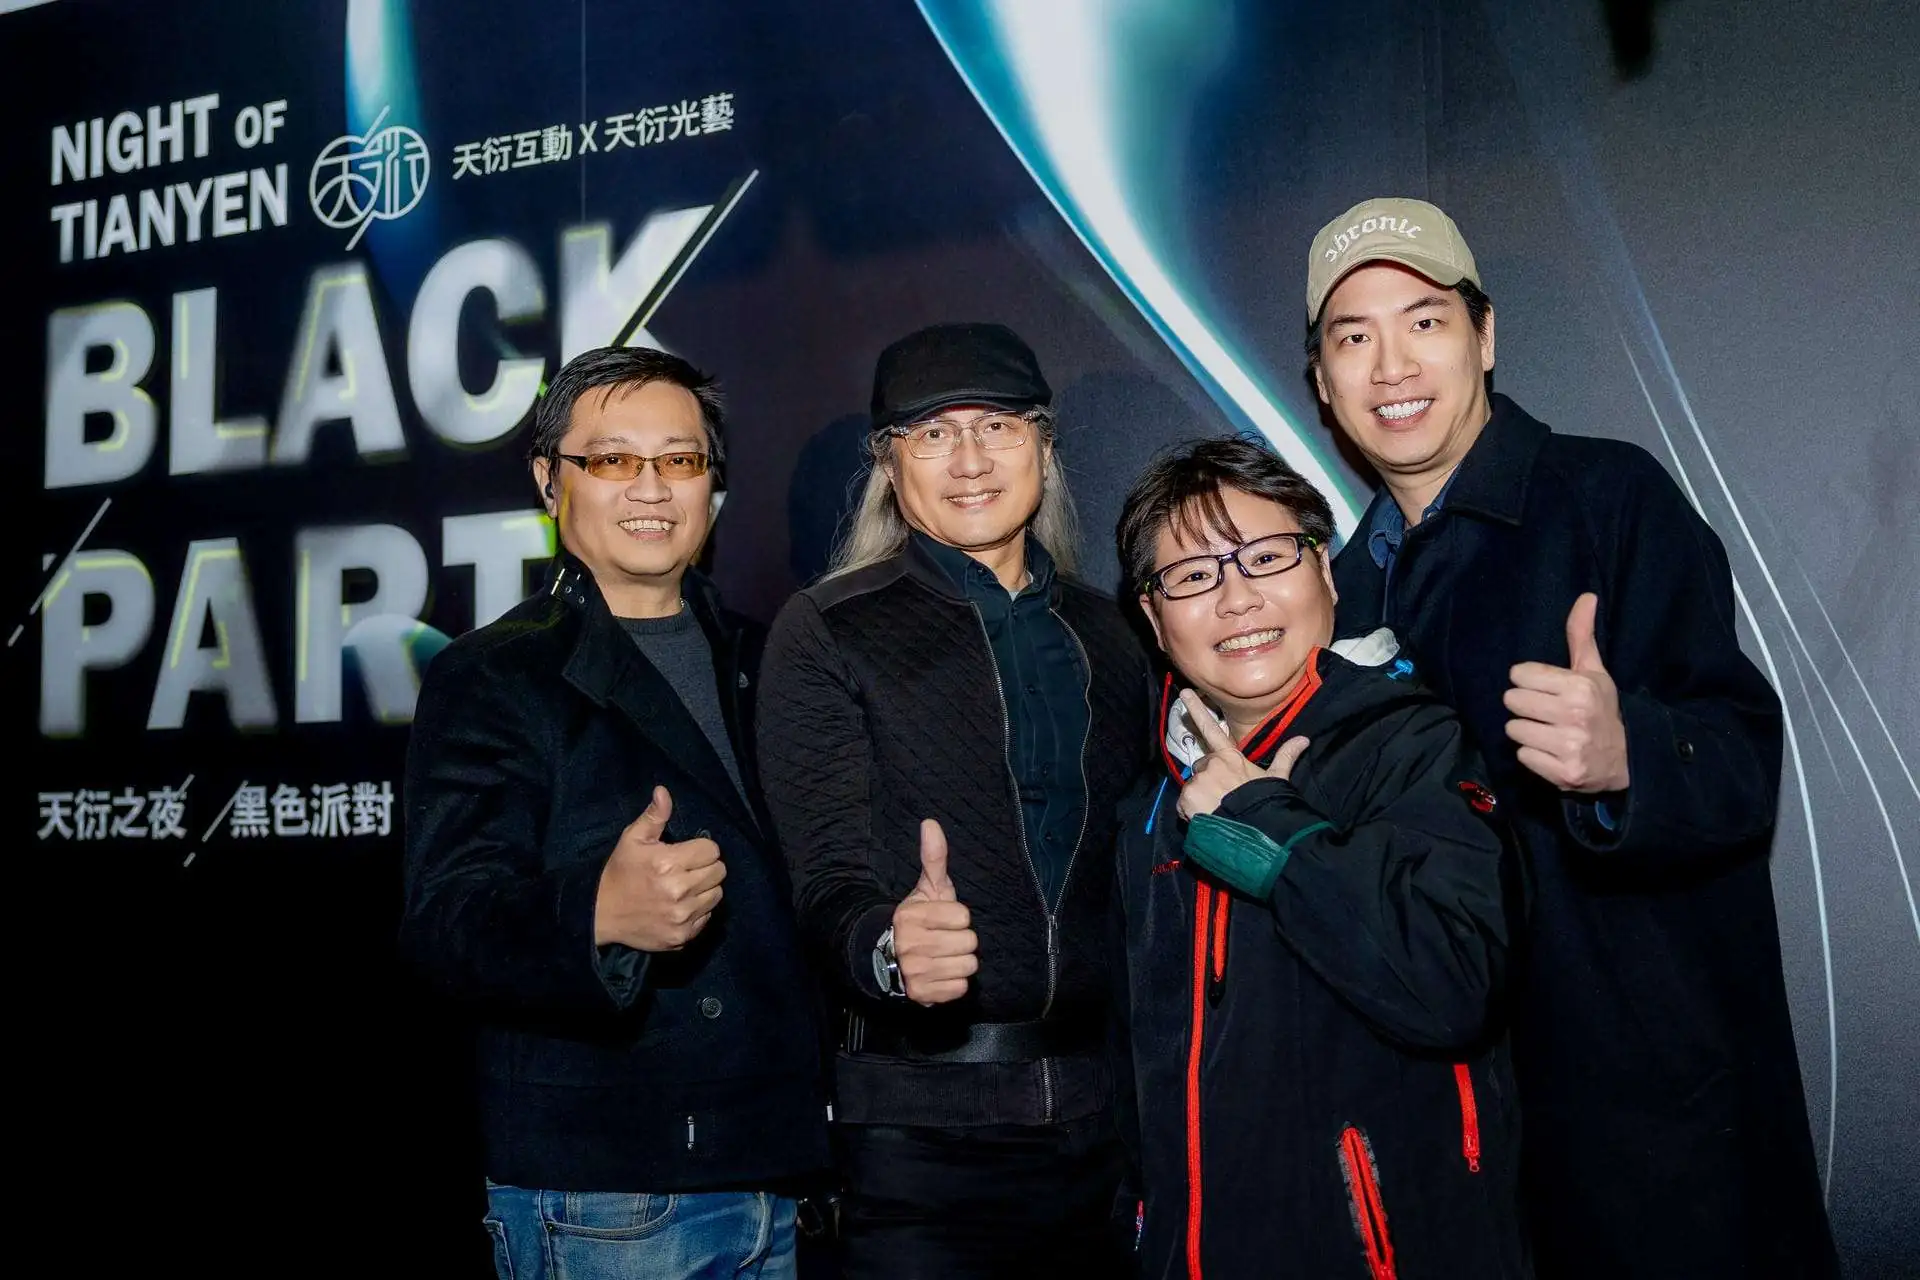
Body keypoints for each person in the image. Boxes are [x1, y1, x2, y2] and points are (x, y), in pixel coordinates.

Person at [1305, 196, 1838, 1278]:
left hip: (1651, 1126)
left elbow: (1740, 758)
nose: (1392, 365)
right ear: (1321, 380)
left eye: (1425, 321)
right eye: (1354, 337)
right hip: (1457, 1136)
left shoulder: (1607, 497)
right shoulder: (1342, 590)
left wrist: (1630, 755)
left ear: (1485, 336)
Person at [402, 346, 830, 1279]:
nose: (650, 486)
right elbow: (447, 923)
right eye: (611, 459)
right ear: (548, 480)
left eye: (679, 458)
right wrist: (595, 913)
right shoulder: (494, 674)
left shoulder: (773, 658)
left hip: (784, 1169)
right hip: (610, 1194)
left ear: (713, 483)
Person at [757, 322, 1151, 1277]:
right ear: (890, 465)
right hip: (918, 1151)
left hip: (1108, 1137)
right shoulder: (827, 629)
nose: (970, 460)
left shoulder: (1115, 633)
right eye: (933, 433)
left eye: (998, 426)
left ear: (1043, 447)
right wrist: (891, 951)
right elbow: (825, 882)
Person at [1110, 436, 1527, 1279]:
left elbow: (1451, 985)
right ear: (1154, 620)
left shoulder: (1409, 742)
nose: (1237, 598)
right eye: (1193, 575)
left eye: (1267, 557)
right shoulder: (1146, 806)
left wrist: (1270, 827)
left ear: (1327, 575)